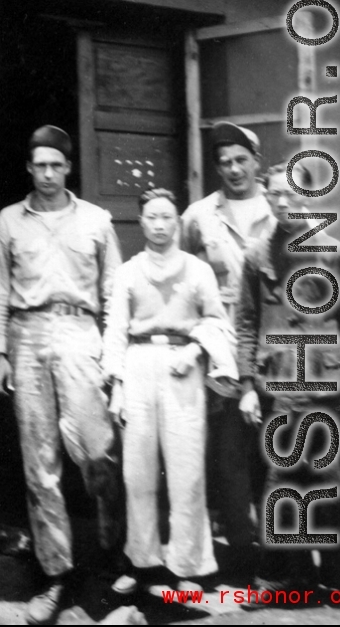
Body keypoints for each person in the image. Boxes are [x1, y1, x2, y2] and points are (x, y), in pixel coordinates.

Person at [0, 125, 123, 625]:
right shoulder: (9, 222)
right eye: (38, 165)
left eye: (55, 165)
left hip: (81, 334)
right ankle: (56, 574)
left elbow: (116, 293)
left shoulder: (96, 220)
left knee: (96, 446)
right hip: (28, 337)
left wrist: (115, 357)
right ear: (28, 167)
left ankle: (112, 555)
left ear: (68, 168)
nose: (46, 174)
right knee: (39, 460)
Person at [237, 161, 340, 601]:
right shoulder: (256, 255)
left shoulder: (331, 252)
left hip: (325, 382)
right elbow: (246, 322)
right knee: (280, 479)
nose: (283, 202)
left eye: (291, 195)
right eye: (274, 195)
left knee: (328, 478)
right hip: (277, 384)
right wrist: (245, 385)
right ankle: (282, 576)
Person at [102, 188, 237, 593]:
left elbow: (218, 322)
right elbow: (115, 331)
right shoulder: (128, 271)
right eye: (152, 218)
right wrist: (117, 386)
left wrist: (196, 349)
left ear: (177, 222)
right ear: (141, 222)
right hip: (139, 366)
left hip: (182, 368)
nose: (159, 226)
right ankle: (142, 563)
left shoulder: (197, 270)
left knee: (186, 472)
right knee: (137, 474)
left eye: (167, 217)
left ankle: (187, 567)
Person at [181, 121, 274, 579]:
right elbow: (182, 279)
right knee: (230, 458)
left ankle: (280, 555)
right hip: (223, 349)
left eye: (241, 160)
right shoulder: (198, 217)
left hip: (273, 346)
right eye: (224, 162)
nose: (233, 169)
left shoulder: (280, 210)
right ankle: (242, 557)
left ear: (256, 161)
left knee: (276, 449)